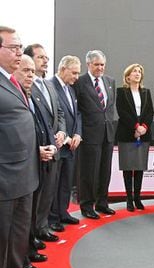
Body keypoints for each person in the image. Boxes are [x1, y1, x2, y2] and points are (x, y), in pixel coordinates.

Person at [0, 25, 40, 268]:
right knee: (1, 234)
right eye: (13, 47)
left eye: (20, 46)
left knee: (17, 229)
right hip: (4, 174)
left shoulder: (11, 81)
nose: (19, 51)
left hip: (24, 171)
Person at [15, 55, 57, 268]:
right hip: (21, 166)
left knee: (30, 215)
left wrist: (49, 147)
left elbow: (44, 126)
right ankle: (19, 263)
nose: (30, 75)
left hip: (39, 160)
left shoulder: (32, 96)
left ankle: (27, 253)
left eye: (33, 71)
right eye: (26, 70)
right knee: (21, 219)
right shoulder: (15, 97)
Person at [24, 43, 66, 241]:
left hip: (54, 147)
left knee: (48, 192)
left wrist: (62, 132)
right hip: (38, 149)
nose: (46, 60)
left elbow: (59, 112)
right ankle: (31, 235)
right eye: (41, 57)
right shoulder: (26, 84)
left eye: (46, 58)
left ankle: (42, 229)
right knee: (36, 196)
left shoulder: (49, 84)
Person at [74, 50, 117, 219]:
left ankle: (102, 202)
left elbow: (109, 107)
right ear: (88, 64)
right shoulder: (80, 82)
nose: (100, 68)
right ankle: (87, 205)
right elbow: (76, 109)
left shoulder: (110, 81)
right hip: (89, 134)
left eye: (102, 65)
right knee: (89, 172)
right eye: (96, 64)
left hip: (107, 134)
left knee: (105, 171)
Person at [49, 55, 82, 227]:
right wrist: (67, 138)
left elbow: (77, 114)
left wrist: (77, 134)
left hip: (72, 145)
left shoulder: (71, 89)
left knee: (66, 181)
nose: (77, 77)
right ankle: (53, 218)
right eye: (74, 73)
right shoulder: (50, 86)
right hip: (59, 144)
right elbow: (52, 116)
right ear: (63, 69)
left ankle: (63, 212)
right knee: (54, 183)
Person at [116, 64, 153, 211]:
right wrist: (135, 127)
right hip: (127, 133)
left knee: (139, 168)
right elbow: (122, 112)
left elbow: (150, 111)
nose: (137, 74)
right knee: (127, 167)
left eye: (139, 72)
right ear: (128, 76)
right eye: (134, 72)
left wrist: (143, 127)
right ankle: (129, 199)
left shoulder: (145, 92)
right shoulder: (121, 92)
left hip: (143, 134)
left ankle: (138, 198)